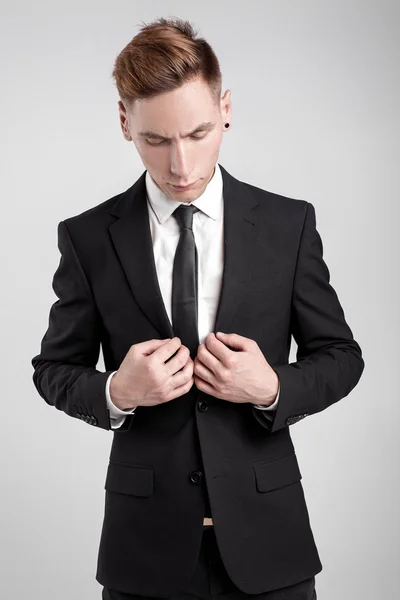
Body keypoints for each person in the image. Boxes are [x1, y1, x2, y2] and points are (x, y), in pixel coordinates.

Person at [31, 16, 365, 600]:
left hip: (271, 545)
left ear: (226, 109)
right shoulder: (86, 238)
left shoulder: (288, 225)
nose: (180, 166)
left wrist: (271, 388)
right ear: (123, 122)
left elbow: (341, 356)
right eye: (156, 140)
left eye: (198, 133)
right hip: (144, 552)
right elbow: (53, 370)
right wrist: (116, 393)